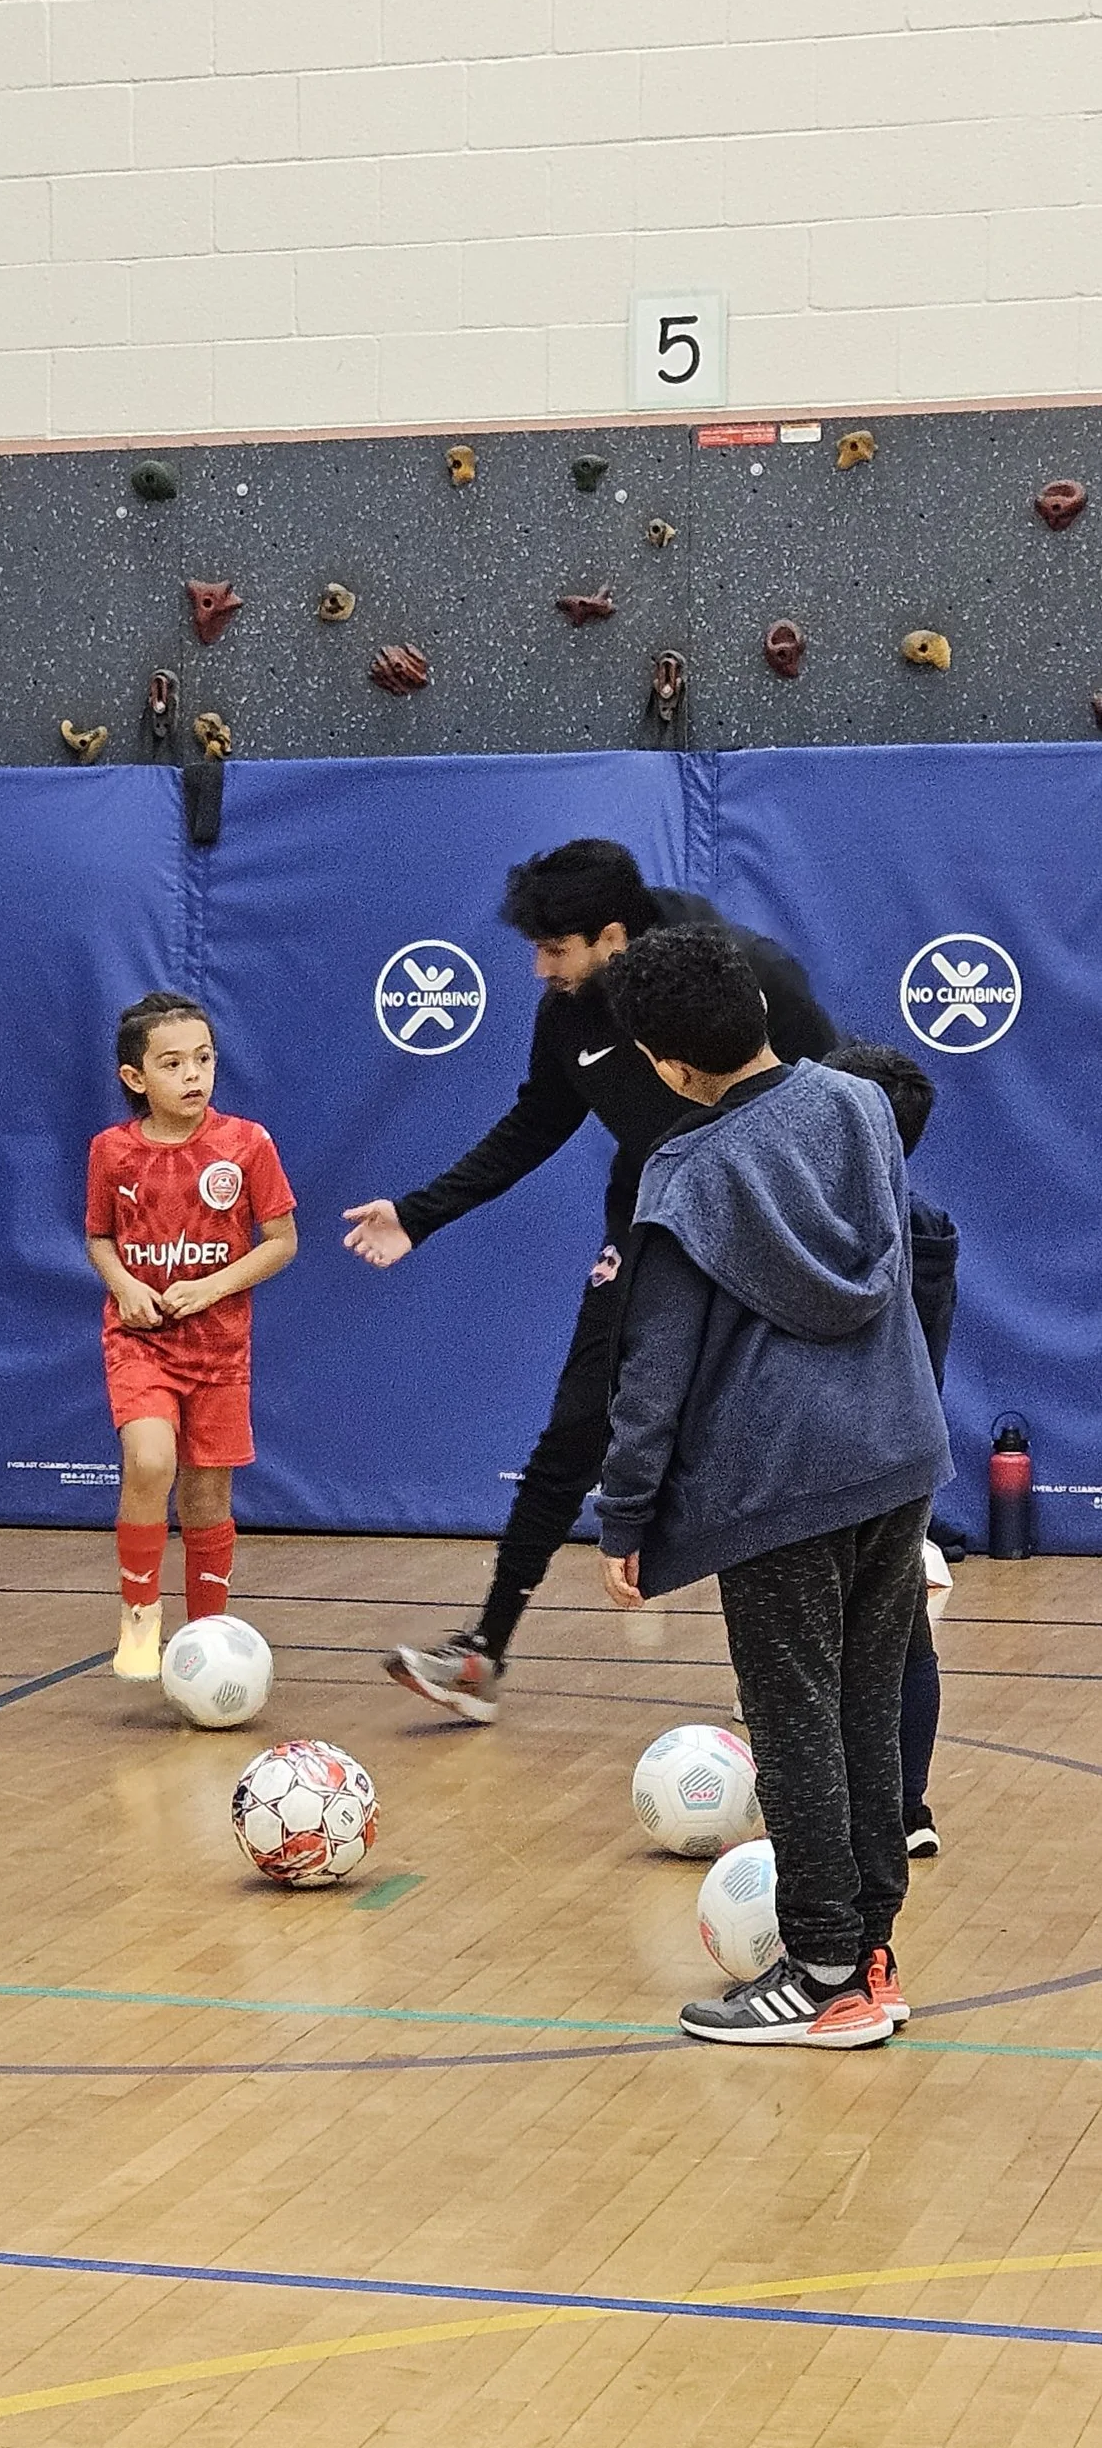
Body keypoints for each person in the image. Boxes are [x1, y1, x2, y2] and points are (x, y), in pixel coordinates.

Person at [343, 837, 835, 1724]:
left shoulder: (734, 973)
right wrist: (419, 1212)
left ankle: (802, 1687)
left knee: (776, 1444)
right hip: (648, 1223)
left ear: (613, 935)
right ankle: (483, 1656)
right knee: (576, 1426)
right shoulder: (568, 1010)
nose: (539, 967)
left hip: (763, 1223)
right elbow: (537, 1121)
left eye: (554, 949)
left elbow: (834, 1094)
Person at [592, 929, 949, 2050]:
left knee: (794, 1720)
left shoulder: (683, 1174)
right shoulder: (855, 1105)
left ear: (664, 1062)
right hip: (898, 1456)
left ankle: (826, 1973)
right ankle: (870, 1955)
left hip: (781, 1482)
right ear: (753, 1007)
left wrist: (627, 1513)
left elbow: (654, 1370)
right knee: (863, 1710)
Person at [85, 991, 297, 1678]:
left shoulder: (247, 1142)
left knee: (206, 1495)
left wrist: (211, 1287)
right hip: (139, 1341)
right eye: (172, 1063)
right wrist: (125, 1285)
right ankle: (140, 1618)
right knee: (150, 1462)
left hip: (219, 1349)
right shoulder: (111, 1151)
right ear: (135, 1078)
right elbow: (99, 1239)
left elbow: (281, 1242)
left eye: (203, 1058)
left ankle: (208, 1637)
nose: (193, 1075)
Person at [823, 1038, 958, 1859]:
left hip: (829, 1462)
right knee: (904, 1633)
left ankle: (836, 1812)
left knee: (811, 1646)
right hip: (909, 1453)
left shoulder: (833, 1222)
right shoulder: (928, 1218)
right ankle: (907, 1810)